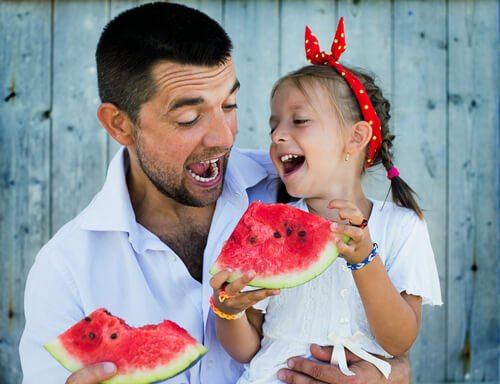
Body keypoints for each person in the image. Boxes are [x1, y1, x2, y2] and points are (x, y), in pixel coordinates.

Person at [19, 4, 412, 384]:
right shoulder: (65, 270)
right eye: (189, 118)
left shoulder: (298, 187)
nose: (225, 137)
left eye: (230, 104)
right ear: (119, 125)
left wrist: (394, 372)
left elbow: (380, 331)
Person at [209, 18, 442, 383]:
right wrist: (226, 311)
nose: (279, 136)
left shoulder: (402, 227)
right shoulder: (270, 225)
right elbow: (247, 349)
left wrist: (365, 260)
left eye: (299, 121)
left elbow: (398, 341)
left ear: (356, 138)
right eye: (274, 126)